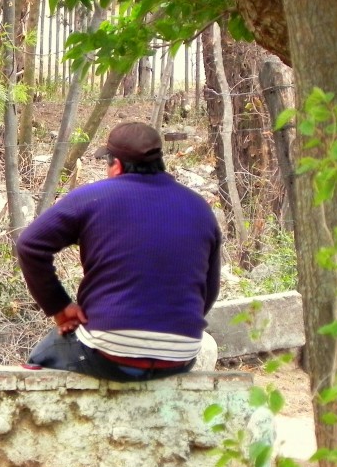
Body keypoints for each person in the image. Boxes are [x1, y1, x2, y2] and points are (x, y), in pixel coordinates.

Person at [17, 121, 221, 382]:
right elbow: (209, 288)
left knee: (42, 359)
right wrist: (169, 324)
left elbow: (29, 245)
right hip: (180, 354)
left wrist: (59, 306)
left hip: (109, 350)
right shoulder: (198, 207)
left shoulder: (93, 198)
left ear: (117, 164)